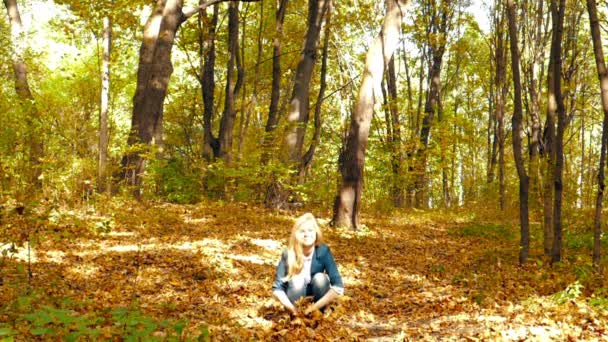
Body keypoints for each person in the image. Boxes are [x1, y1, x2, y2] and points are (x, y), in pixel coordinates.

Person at [272, 213, 344, 315]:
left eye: (310, 230)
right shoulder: (288, 254)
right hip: (295, 302)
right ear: (296, 234)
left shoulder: (323, 251)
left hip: (318, 302)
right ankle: (295, 315)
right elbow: (277, 289)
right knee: (296, 279)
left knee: (320, 278)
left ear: (316, 233)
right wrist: (291, 309)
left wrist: (313, 309)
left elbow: (338, 286)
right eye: (302, 231)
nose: (307, 234)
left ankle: (320, 313)